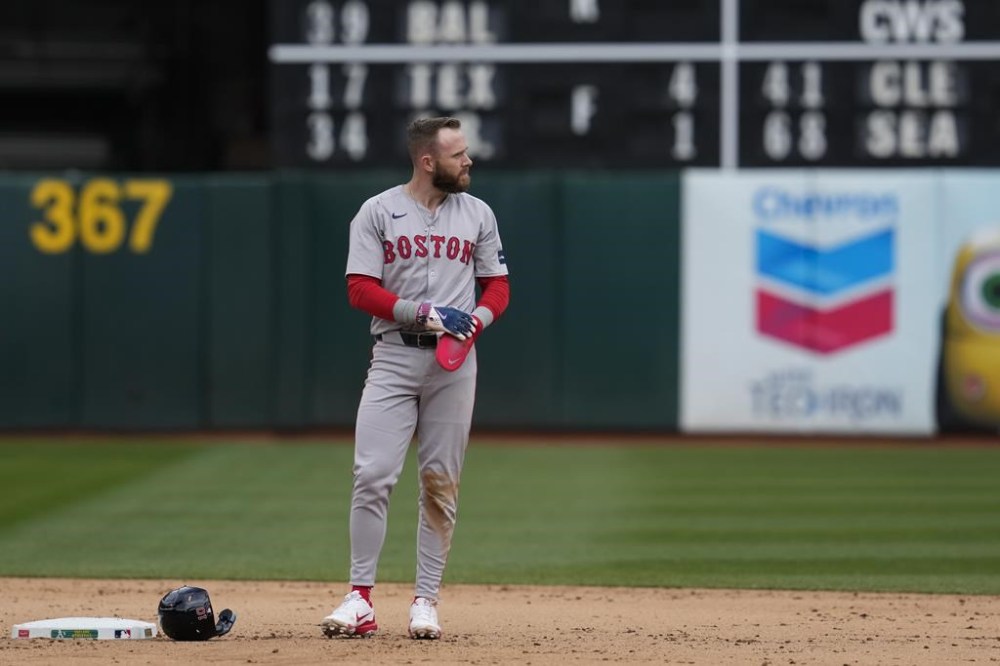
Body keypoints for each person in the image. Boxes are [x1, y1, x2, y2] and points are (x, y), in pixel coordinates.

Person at [322, 116, 510, 640]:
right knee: (372, 474)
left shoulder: (477, 213)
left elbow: (497, 286)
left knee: (440, 485)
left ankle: (425, 600)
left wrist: (478, 319)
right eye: (458, 154)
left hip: (455, 362)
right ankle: (359, 599)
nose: (468, 161)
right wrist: (420, 310)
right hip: (395, 357)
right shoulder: (378, 212)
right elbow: (360, 289)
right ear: (428, 161)